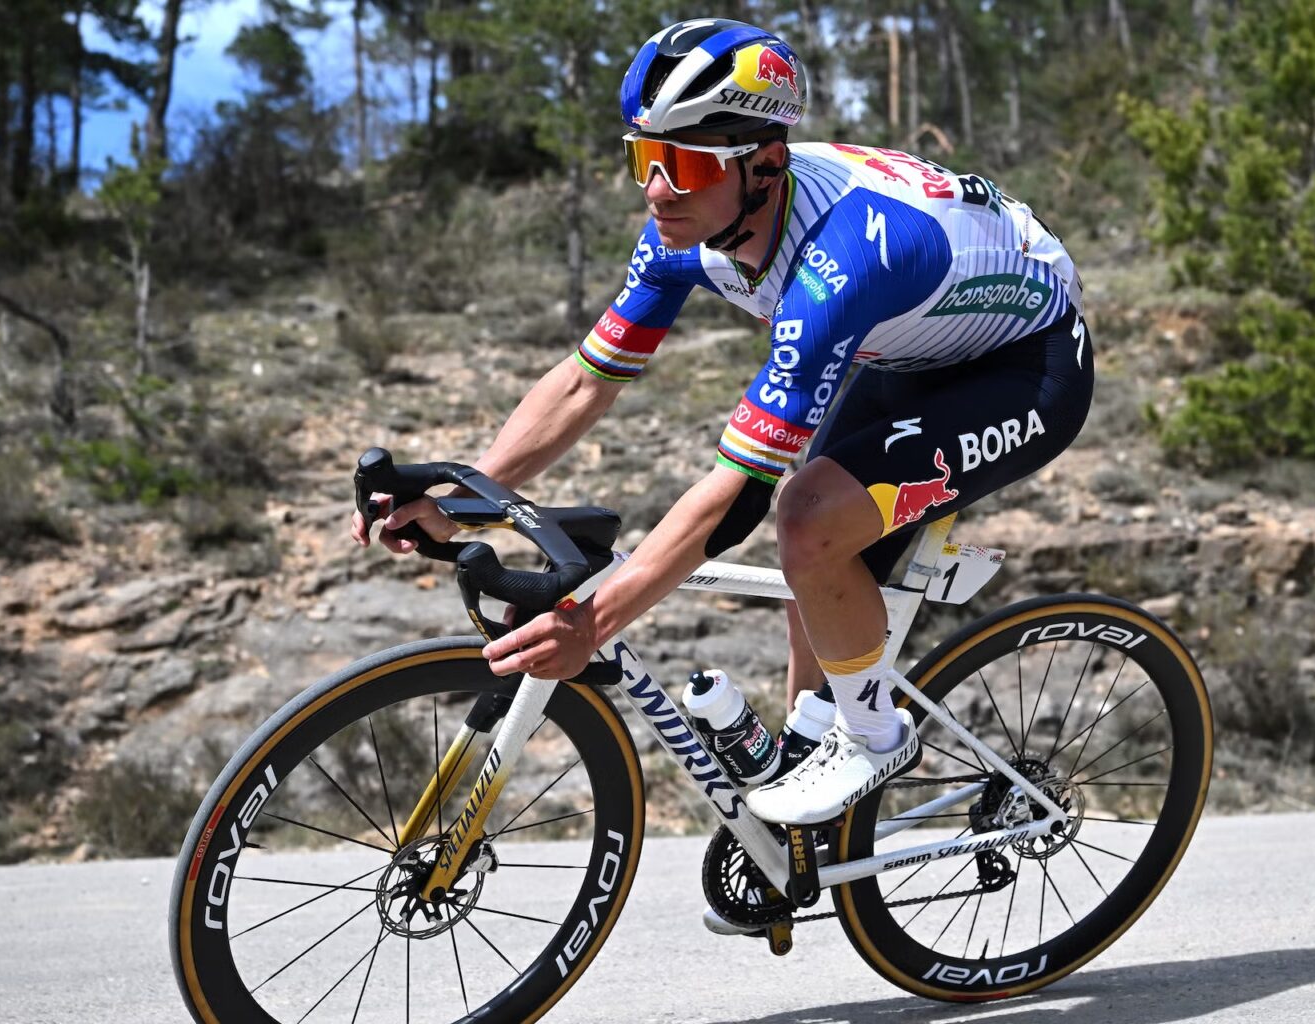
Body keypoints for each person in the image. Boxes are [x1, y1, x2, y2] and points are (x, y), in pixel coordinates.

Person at [352, 18, 1091, 830]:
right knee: (820, 558)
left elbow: (740, 493)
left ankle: (876, 737)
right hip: (910, 349)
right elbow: (584, 382)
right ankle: (816, 782)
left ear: (765, 165)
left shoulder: (838, 268)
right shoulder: (685, 231)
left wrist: (591, 625)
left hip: (1027, 366)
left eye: (688, 164)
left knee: (807, 517)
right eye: (646, 158)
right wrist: (466, 496)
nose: (658, 189)